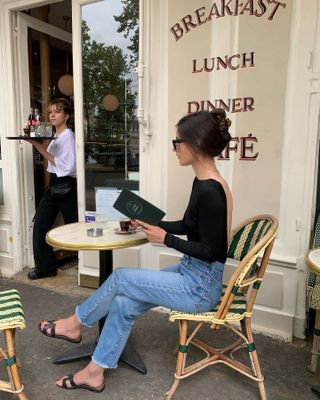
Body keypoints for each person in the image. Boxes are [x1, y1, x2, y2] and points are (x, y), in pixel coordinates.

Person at [38, 109, 233, 392]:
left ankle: (74, 324)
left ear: (196, 143)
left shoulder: (211, 191)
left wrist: (165, 239)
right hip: (192, 273)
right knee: (122, 304)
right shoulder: (202, 182)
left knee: (120, 278)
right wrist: (151, 223)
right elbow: (190, 224)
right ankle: (95, 372)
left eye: (177, 142)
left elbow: (213, 251)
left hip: (199, 287)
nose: (175, 148)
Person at [27, 98, 78, 280]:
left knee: (77, 227)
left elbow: (69, 167)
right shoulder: (56, 136)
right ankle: (45, 267)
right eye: (50, 112)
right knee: (40, 225)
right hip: (55, 184)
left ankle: (91, 267)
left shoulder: (68, 137)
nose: (52, 115)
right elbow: (53, 162)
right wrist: (39, 145)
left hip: (66, 186)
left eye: (57, 111)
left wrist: (39, 147)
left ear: (66, 116)